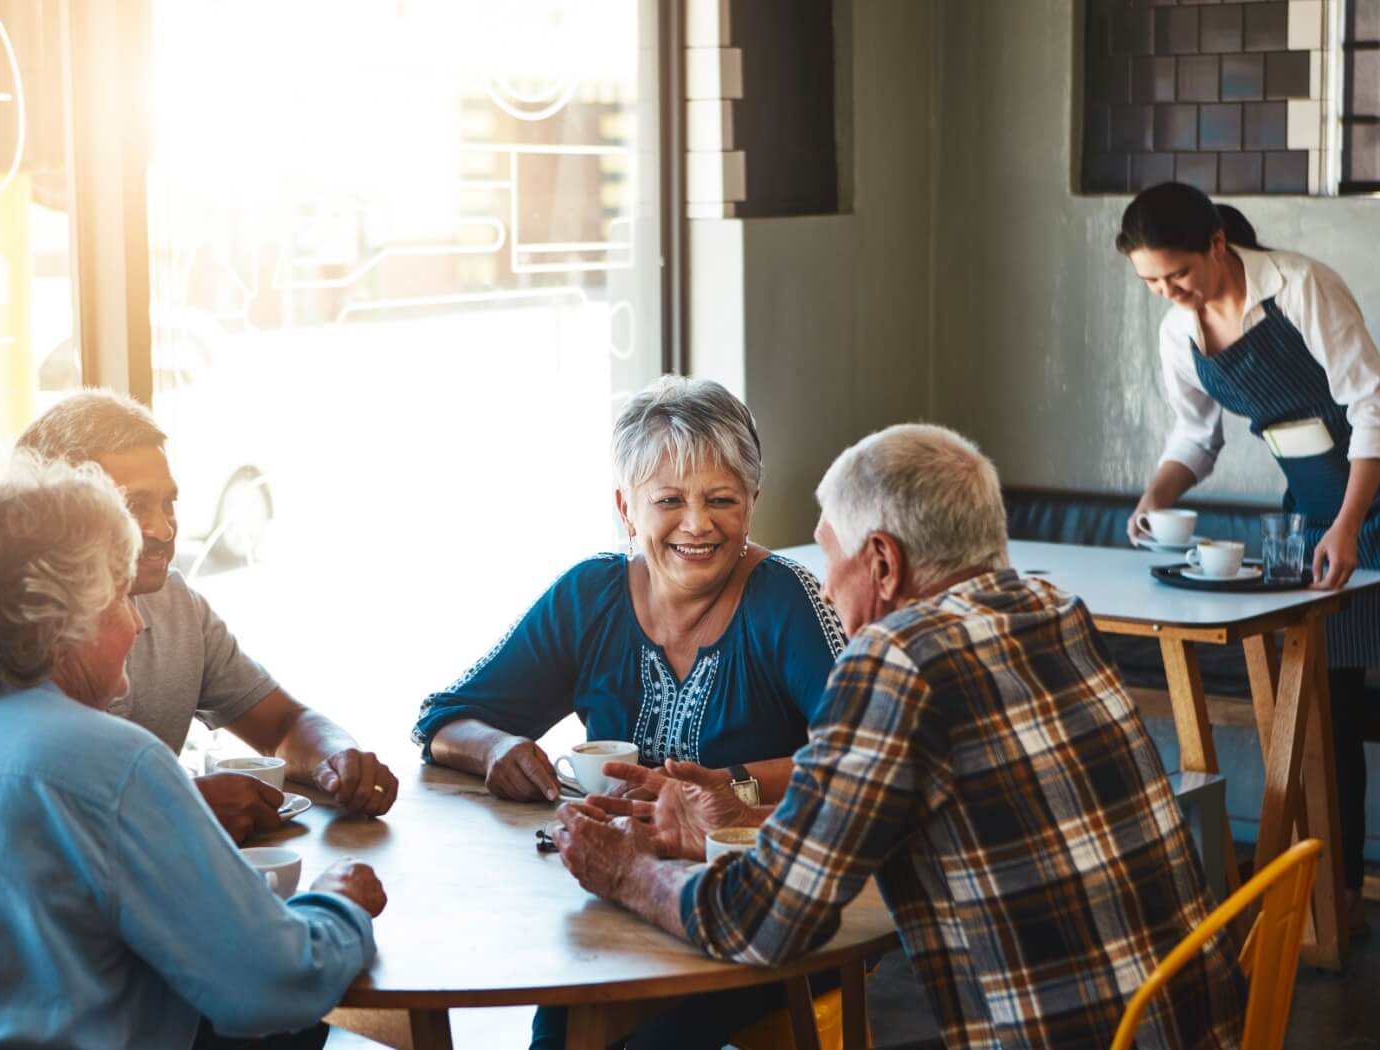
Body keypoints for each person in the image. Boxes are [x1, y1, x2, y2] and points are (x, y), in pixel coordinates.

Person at [554, 424, 1245, 1048]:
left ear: (882, 562)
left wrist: (627, 872)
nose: (824, 590)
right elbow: (919, 819)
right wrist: (748, 821)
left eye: (832, 558)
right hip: (1189, 1025)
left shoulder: (899, 661)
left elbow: (760, 923)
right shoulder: (1052, 611)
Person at [0, 459, 386, 1048]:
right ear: (61, 620)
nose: (134, 624)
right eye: (121, 596)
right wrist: (338, 906)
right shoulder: (113, 761)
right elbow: (268, 987)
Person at [411, 375, 846, 1049]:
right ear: (626, 507)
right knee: (561, 1033)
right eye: (669, 500)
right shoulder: (591, 596)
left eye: (722, 500)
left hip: (756, 917)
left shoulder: (785, 599)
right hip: (614, 901)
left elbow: (863, 759)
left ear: (752, 503)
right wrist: (496, 749)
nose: (698, 525)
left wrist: (737, 788)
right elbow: (444, 717)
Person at [1118, 181, 1375, 935]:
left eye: (1178, 275)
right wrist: (1155, 496)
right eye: (1152, 283)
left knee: (1343, 701)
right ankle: (1338, 899)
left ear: (1217, 245)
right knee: (1328, 703)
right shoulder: (1180, 333)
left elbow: (1372, 405)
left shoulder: (1300, 286)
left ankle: (1339, 896)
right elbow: (1196, 439)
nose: (1168, 293)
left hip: (1364, 497)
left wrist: (1352, 522)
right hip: (1315, 513)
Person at [10, 390, 398, 839]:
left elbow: (281, 725)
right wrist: (178, 807)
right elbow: (26, 815)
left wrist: (338, 759)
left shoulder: (174, 602)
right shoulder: (10, 633)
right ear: (60, 512)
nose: (164, 528)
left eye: (168, 502)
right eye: (134, 506)